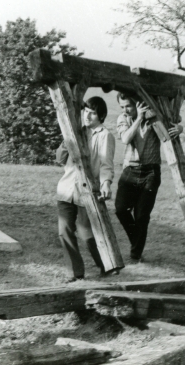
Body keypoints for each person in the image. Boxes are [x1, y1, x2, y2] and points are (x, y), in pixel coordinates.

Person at [115, 93, 182, 263]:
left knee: (141, 216)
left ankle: (136, 255)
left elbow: (173, 123)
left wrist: (179, 128)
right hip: (130, 169)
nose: (125, 110)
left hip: (151, 172)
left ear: (136, 104)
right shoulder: (123, 119)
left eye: (128, 106)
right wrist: (137, 119)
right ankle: (136, 244)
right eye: (122, 107)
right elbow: (125, 138)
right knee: (121, 210)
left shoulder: (154, 118)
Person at [56, 96, 115, 281]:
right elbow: (60, 159)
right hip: (66, 189)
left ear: (101, 116)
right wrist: (66, 141)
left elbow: (106, 164)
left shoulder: (105, 135)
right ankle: (76, 273)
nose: (88, 116)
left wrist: (106, 183)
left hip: (87, 192)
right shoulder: (75, 131)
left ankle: (106, 265)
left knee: (87, 234)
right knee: (64, 231)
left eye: (93, 113)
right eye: (86, 112)